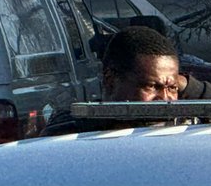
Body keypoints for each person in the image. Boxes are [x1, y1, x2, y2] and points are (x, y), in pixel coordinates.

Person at [43, 26, 181, 136]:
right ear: (110, 80)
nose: (165, 98)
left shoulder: (189, 131)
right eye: (151, 86)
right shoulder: (71, 136)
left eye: (172, 88)